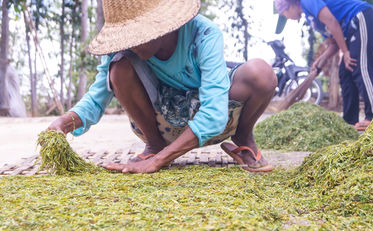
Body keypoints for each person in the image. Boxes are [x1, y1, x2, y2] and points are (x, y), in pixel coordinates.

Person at [48, 0, 277, 173]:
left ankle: (244, 138)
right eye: (125, 37)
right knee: (118, 67)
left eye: (137, 35)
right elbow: (98, 97)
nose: (131, 44)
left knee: (262, 73)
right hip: (162, 120)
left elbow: (215, 115)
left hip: (220, 117)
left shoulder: (203, 33)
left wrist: (159, 163)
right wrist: (62, 124)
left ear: (163, 24)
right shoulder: (124, 50)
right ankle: (154, 145)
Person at [275, 0, 373, 130]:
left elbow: (332, 22)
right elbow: (334, 43)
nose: (286, 17)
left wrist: (345, 52)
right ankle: (349, 122)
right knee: (345, 72)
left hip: (362, 17)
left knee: (359, 65)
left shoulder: (307, 2)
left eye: (284, 13)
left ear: (290, 6)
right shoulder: (311, 20)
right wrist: (321, 59)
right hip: (352, 30)